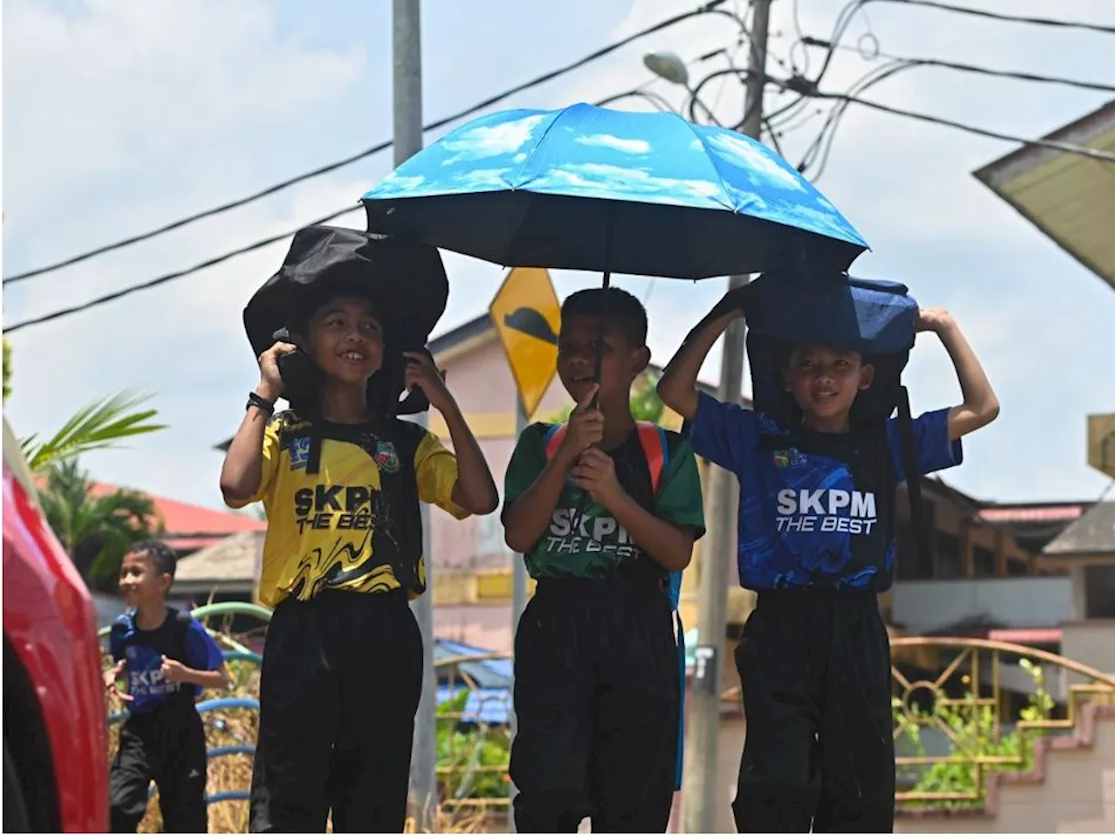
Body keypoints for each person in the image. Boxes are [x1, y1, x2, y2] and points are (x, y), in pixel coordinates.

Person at [657, 281, 1000, 833]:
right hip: (779, 628)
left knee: (859, 790)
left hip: (856, 626)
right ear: (786, 379)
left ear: (865, 377)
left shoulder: (888, 443)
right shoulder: (757, 439)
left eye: (840, 364)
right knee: (779, 783)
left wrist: (943, 326)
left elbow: (983, 408)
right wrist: (727, 312)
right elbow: (675, 391)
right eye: (808, 364)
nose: (823, 377)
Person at [221, 257, 499, 832]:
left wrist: (445, 403)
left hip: (384, 631)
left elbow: (479, 497)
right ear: (301, 344)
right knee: (287, 794)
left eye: (369, 326)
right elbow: (235, 486)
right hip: (303, 629)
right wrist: (263, 393)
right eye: (337, 323)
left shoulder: (405, 442)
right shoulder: (283, 431)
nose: (355, 336)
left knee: (372, 798)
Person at [502, 287, 705, 833]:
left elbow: (676, 550)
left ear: (637, 359)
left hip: (637, 628)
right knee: (548, 791)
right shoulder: (540, 444)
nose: (579, 359)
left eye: (599, 346)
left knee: (634, 796)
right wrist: (567, 453)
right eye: (569, 345)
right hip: (556, 626)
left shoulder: (666, 451)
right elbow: (520, 534)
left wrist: (615, 495)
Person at [105, 539, 231, 834]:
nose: (126, 580)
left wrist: (186, 674)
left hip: (181, 733)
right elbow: (127, 663)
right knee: (117, 806)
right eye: (123, 573)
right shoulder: (122, 630)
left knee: (184, 819)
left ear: (163, 582)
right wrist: (114, 674)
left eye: (136, 572)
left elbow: (223, 679)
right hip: (139, 731)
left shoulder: (184, 627)